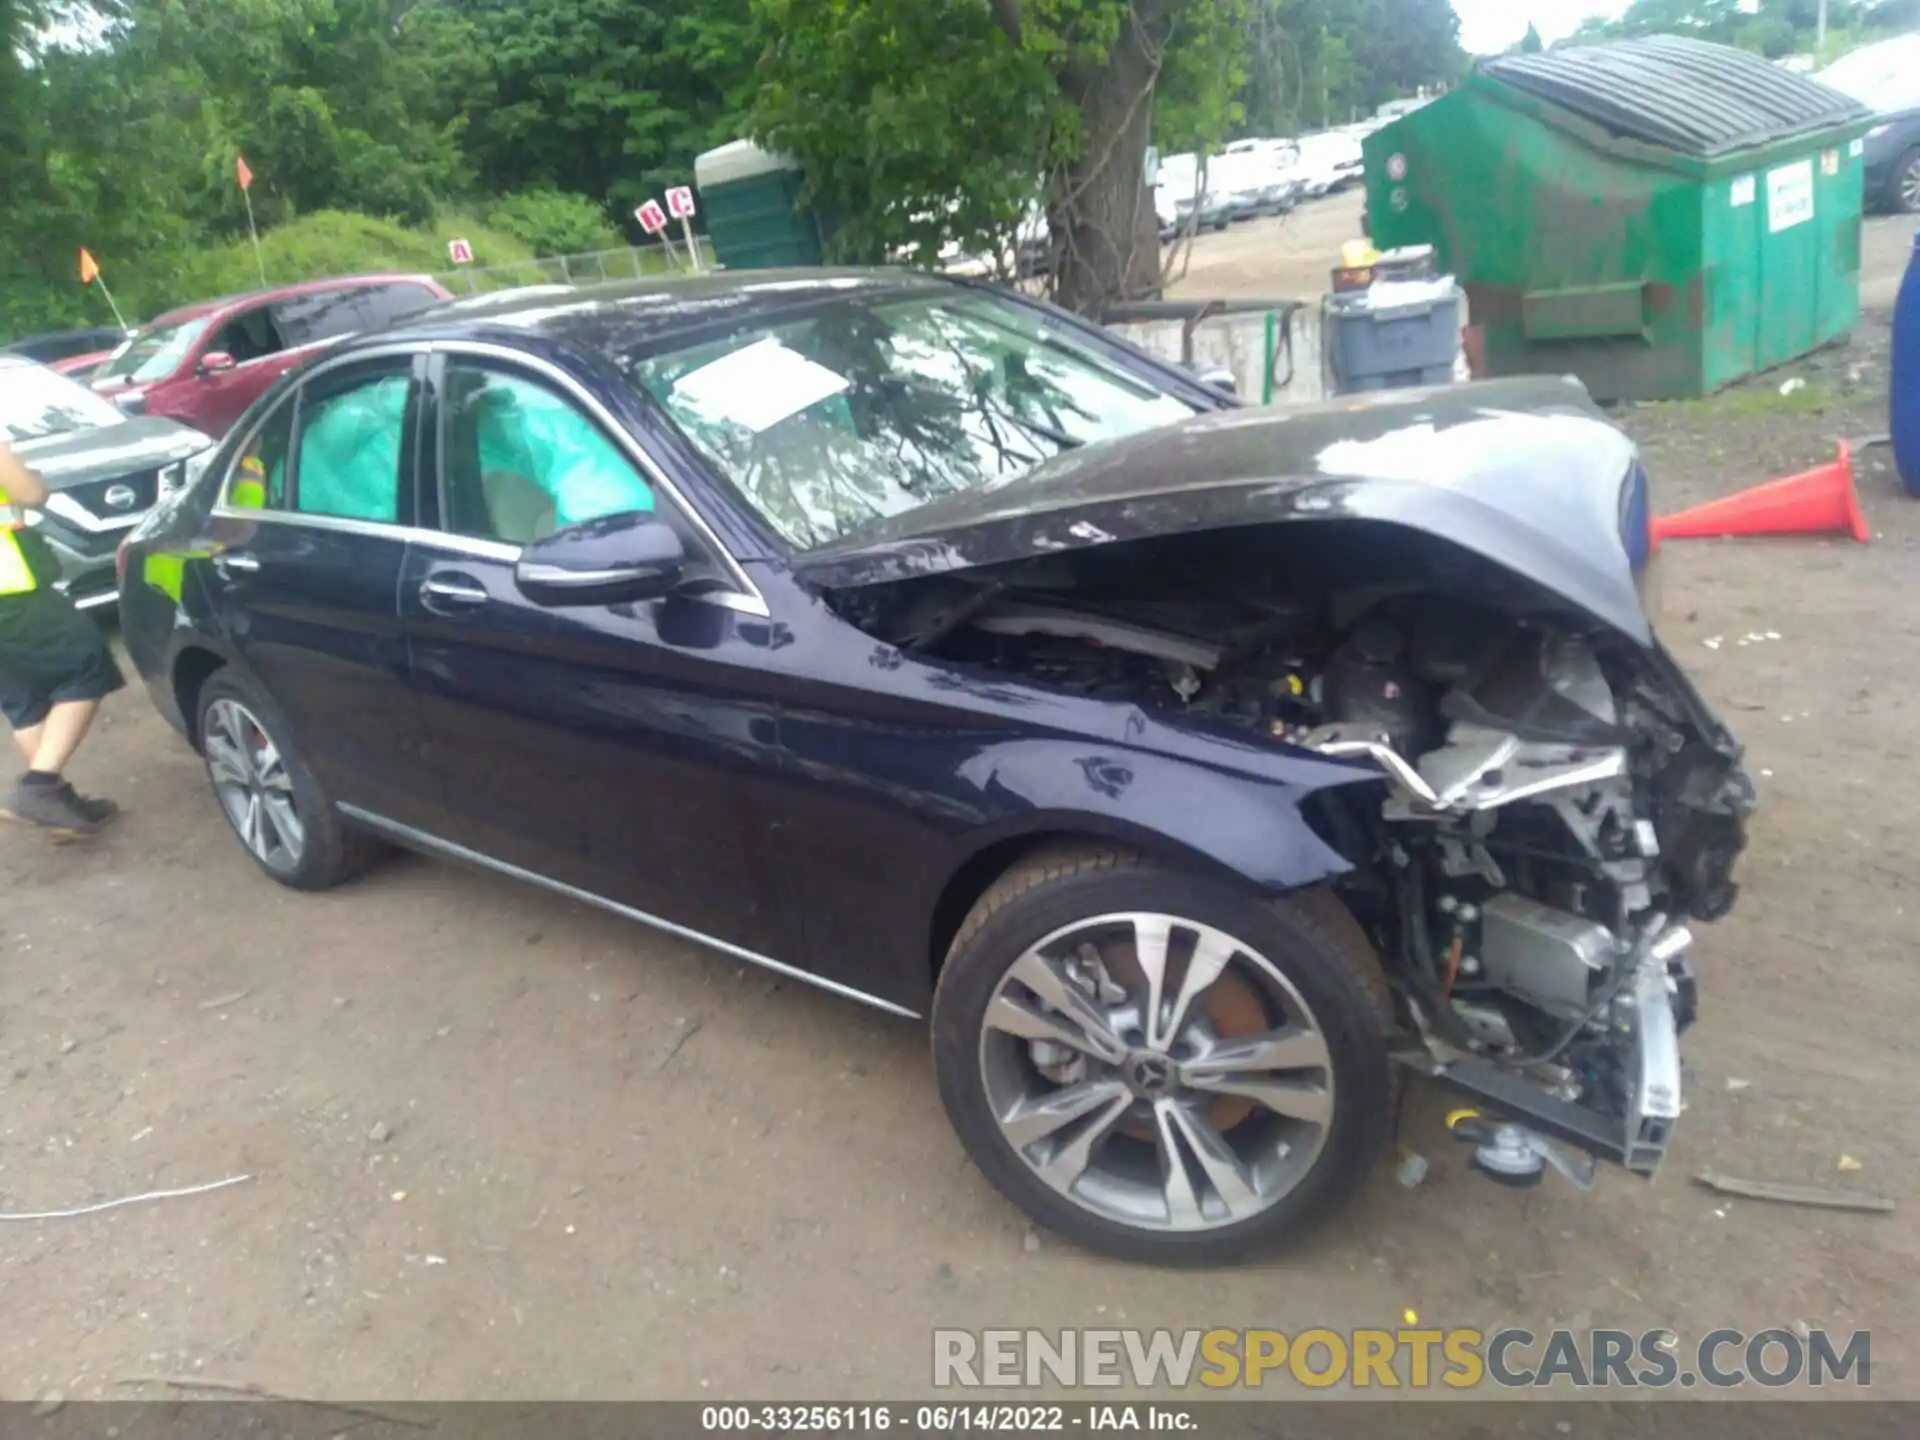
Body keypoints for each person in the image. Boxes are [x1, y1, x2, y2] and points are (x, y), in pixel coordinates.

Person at [0, 440, 123, 835]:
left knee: (23, 696)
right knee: (88, 661)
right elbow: (28, 492)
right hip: (10, 590)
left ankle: (59, 814)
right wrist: (35, 479)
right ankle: (38, 787)